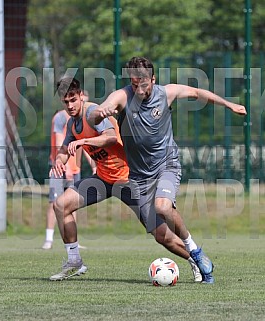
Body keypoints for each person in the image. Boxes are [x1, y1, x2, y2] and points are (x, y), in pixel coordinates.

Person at [89, 56, 247, 284]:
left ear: (153, 79)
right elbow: (98, 111)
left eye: (143, 85)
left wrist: (229, 104)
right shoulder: (123, 96)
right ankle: (197, 263)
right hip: (139, 179)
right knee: (161, 236)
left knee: (162, 206)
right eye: (134, 85)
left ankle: (195, 250)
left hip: (166, 164)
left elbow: (197, 93)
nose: (139, 90)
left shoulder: (167, 93)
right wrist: (100, 113)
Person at [49, 77, 202, 283]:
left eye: (73, 100)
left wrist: (84, 141)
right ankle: (74, 260)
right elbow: (65, 149)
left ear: (81, 96)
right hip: (103, 181)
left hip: (129, 180)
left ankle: (195, 260)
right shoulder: (72, 123)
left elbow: (111, 136)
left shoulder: (92, 113)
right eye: (65, 102)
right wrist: (59, 161)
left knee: (162, 236)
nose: (70, 106)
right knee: (61, 205)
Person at [42, 100, 96, 250]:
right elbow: (60, 145)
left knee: (72, 204)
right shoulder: (60, 118)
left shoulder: (83, 120)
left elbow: (85, 146)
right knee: (54, 202)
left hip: (75, 169)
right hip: (59, 168)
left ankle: (73, 242)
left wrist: (93, 165)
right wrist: (65, 168)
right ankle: (49, 239)